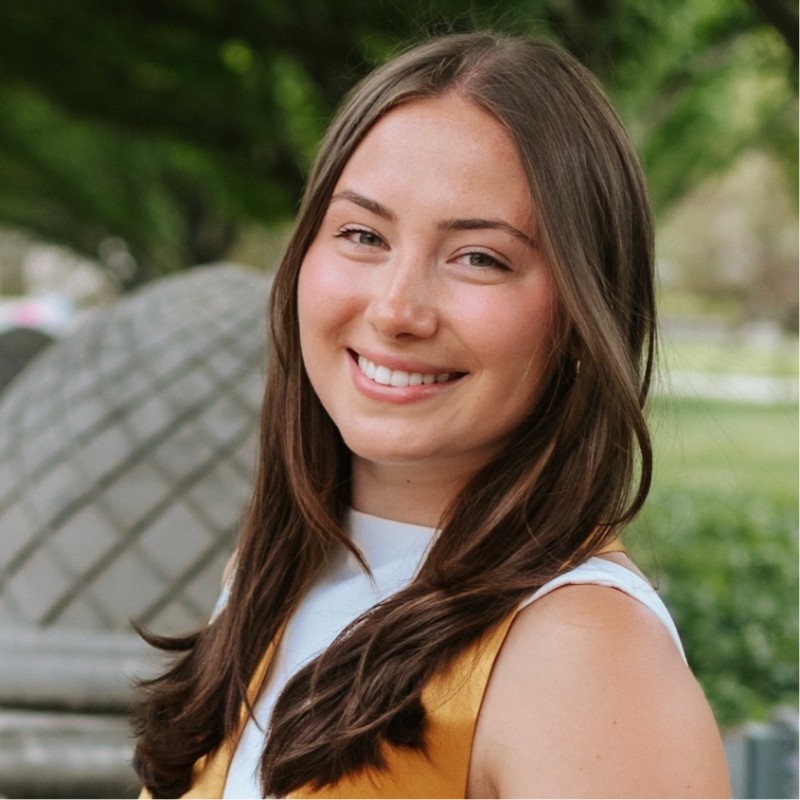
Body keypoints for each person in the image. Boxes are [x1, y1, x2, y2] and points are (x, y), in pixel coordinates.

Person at [133, 31, 731, 798]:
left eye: (479, 256)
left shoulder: (584, 655)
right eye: (362, 235)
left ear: (587, 315)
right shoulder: (274, 575)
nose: (396, 309)